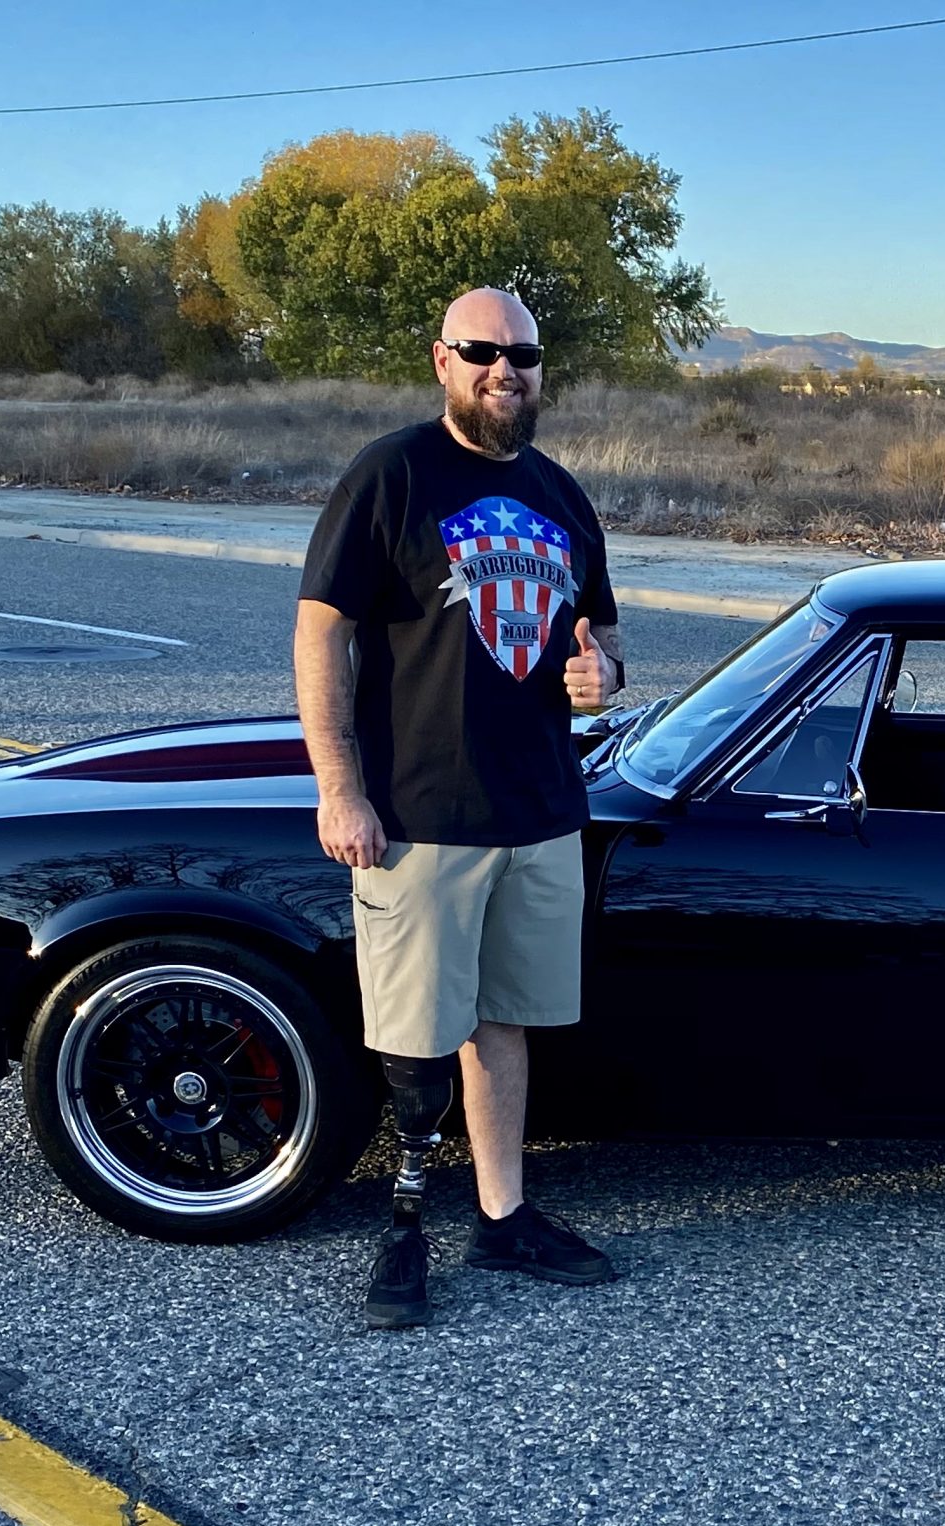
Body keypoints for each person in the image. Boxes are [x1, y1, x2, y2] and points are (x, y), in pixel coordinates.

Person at [293, 286, 628, 1331]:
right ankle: (401, 1230)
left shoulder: (563, 494)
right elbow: (322, 634)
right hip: (421, 813)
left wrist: (601, 679)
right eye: (482, 351)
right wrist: (339, 787)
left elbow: (602, 639)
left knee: (504, 1026)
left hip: (538, 808)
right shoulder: (391, 475)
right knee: (413, 1039)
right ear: (442, 361)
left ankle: (501, 1212)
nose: (504, 371)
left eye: (522, 355)